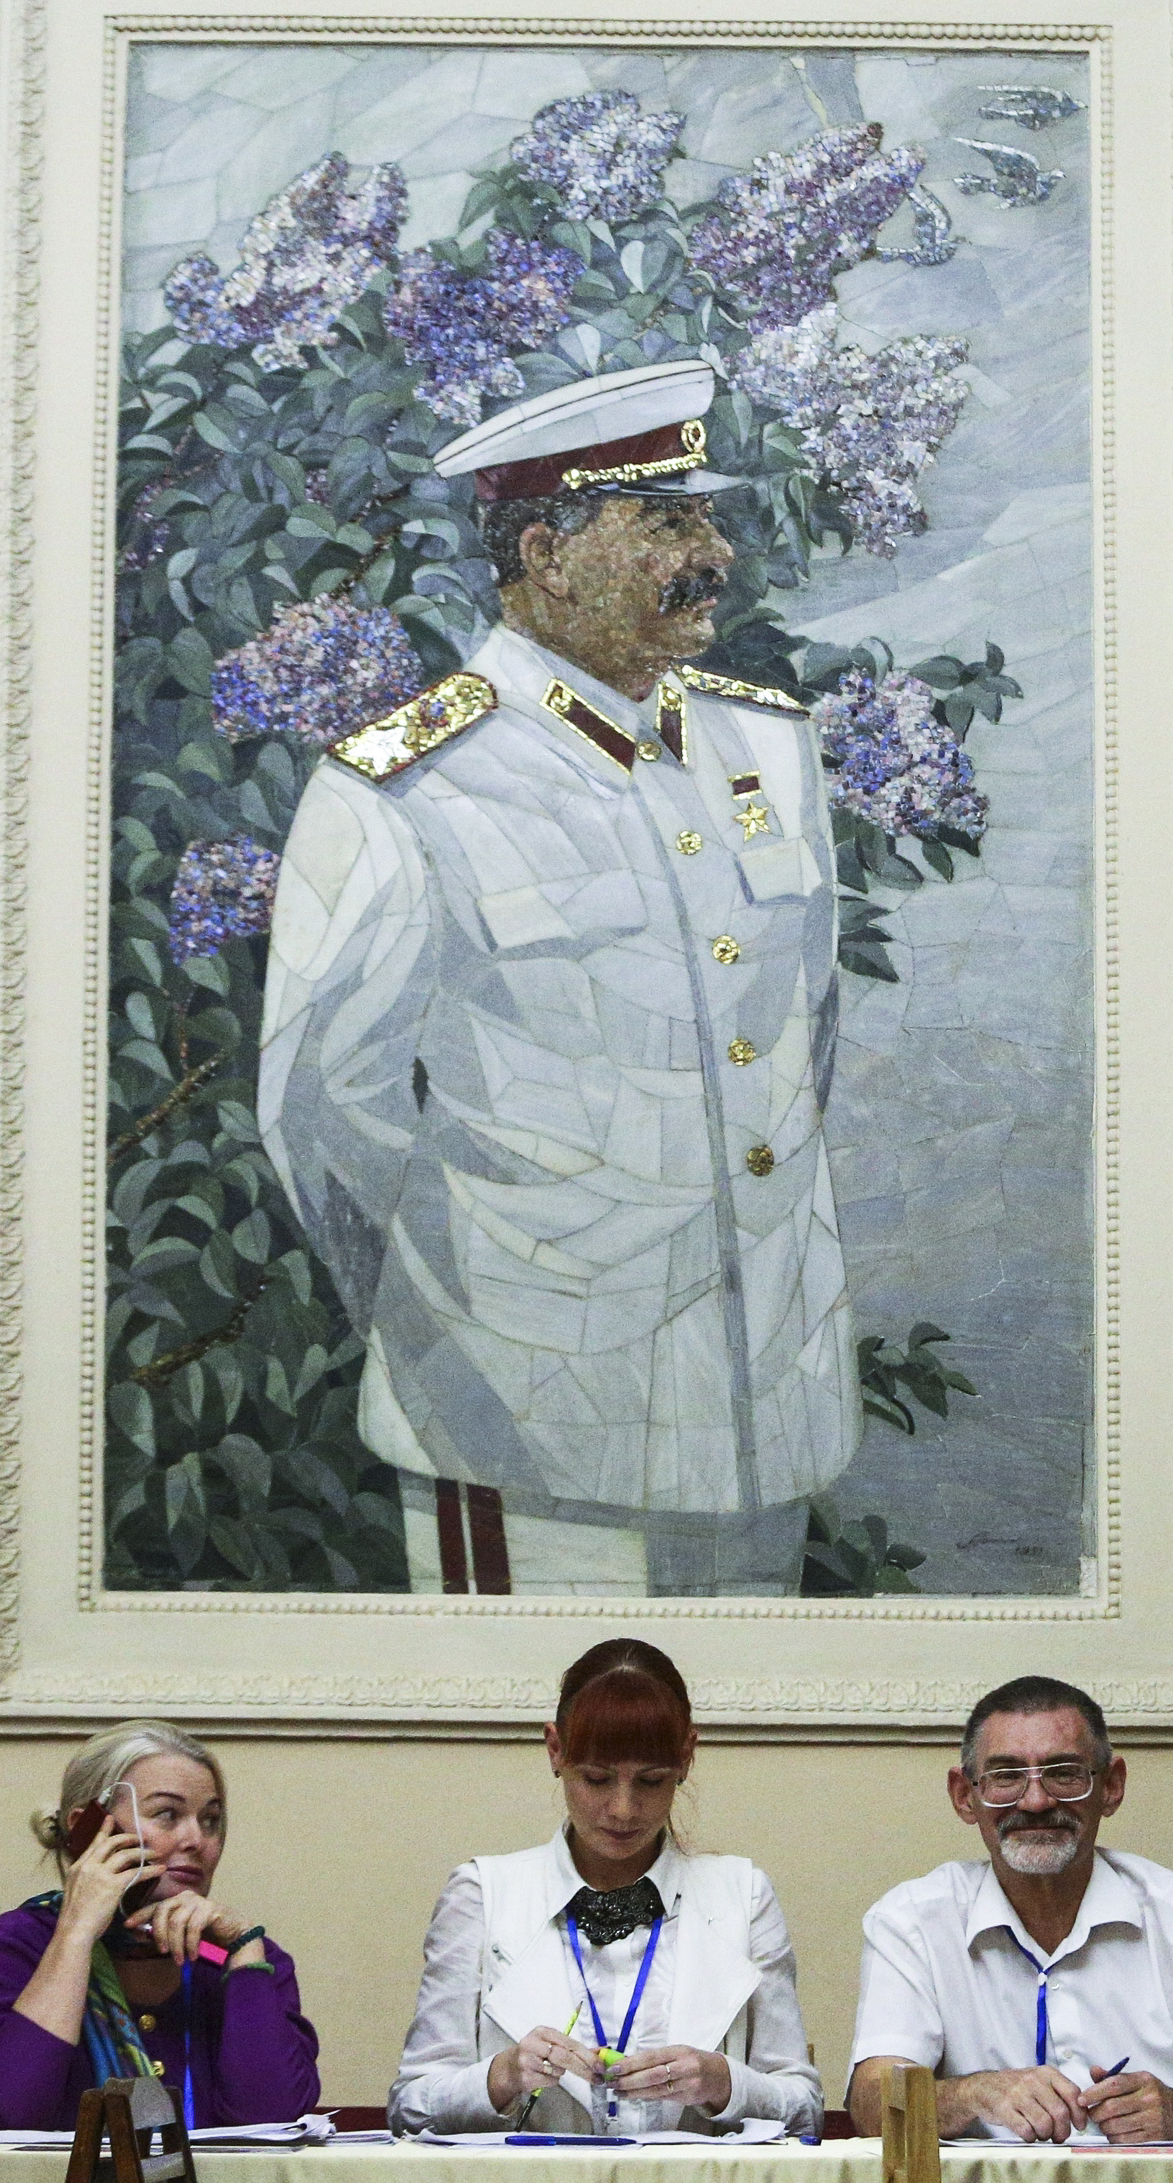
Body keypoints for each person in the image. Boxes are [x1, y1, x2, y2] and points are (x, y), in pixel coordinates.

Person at [259, 357, 857, 1599]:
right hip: (523, 1418)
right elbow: (322, 1112)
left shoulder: (771, 746)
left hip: (767, 1399)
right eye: (669, 525)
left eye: (706, 523)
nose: (715, 556)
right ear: (546, 553)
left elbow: (803, 1033)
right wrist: (452, 1321)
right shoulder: (409, 785)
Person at [847, 1676, 1173, 2143]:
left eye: (1064, 1773)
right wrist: (973, 2094)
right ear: (964, 1796)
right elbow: (871, 2106)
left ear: (1111, 1786)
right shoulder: (912, 1921)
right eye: (1006, 1776)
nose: (1036, 1801)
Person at [389, 1638, 820, 2135]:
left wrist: (724, 2083)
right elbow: (409, 2108)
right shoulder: (483, 1895)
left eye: (651, 1781)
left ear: (687, 1757)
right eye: (596, 1779)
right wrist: (501, 2076)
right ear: (555, 1750)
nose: (623, 1809)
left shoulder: (742, 1896)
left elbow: (805, 2108)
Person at [0, 1721, 321, 2130]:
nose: (196, 1840)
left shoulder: (240, 1958)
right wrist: (76, 1934)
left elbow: (272, 2121)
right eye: (167, 1815)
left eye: (211, 1820)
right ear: (90, 1828)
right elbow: (6, 2115)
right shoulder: (19, 1943)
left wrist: (245, 1949)